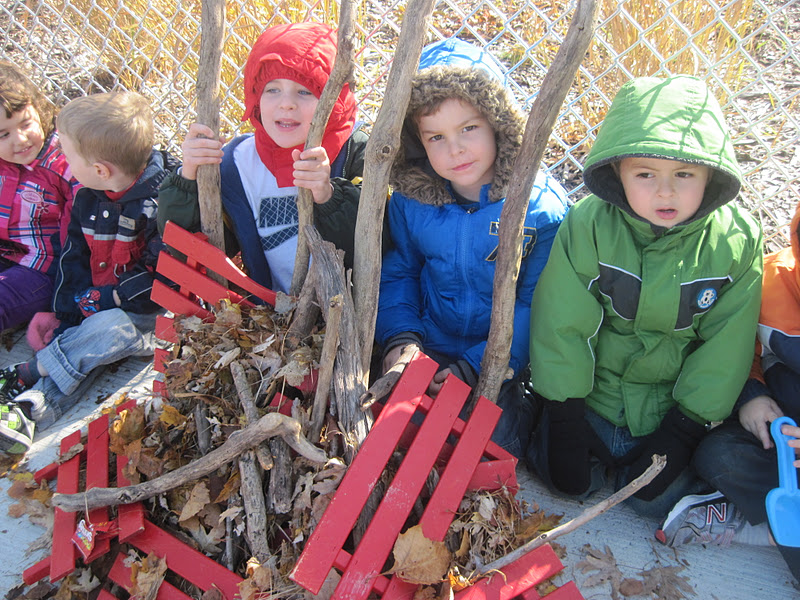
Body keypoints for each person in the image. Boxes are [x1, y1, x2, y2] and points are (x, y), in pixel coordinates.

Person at [527, 75, 763, 517]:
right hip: (593, 399)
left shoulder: (735, 242)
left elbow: (725, 348)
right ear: (617, 171)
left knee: (654, 503)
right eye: (645, 174)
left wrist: (684, 429)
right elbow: (562, 323)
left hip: (666, 410)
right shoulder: (590, 225)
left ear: (710, 174)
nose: (665, 191)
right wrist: (564, 418)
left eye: (685, 174)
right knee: (565, 482)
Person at [375, 37, 569, 458]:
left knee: (487, 444)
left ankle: (523, 406)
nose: (455, 149)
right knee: (393, 426)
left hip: (499, 357)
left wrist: (478, 366)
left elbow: (537, 303)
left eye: (468, 129)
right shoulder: (412, 200)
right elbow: (399, 271)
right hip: (430, 338)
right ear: (417, 142)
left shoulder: (540, 208)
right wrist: (401, 338)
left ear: (498, 123)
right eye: (436, 137)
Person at [0, 91, 177, 454]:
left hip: (147, 319)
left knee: (104, 329)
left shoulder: (160, 205)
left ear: (100, 170)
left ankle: (27, 373)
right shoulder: (87, 199)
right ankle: (29, 413)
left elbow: (161, 280)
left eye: (67, 156)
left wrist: (109, 299)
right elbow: (72, 260)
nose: (63, 162)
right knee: (80, 348)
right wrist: (63, 314)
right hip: (97, 309)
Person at [157, 22, 367, 294]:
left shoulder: (354, 150)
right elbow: (192, 248)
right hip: (274, 316)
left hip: (350, 311)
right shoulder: (238, 163)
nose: (286, 103)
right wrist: (188, 178)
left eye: (305, 91)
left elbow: (381, 240)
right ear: (255, 96)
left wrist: (328, 195)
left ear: (334, 100)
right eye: (272, 90)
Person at [656, 199, 800, 583]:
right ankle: (774, 519)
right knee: (720, 455)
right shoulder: (772, 285)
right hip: (782, 434)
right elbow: (737, 348)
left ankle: (763, 527)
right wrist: (751, 394)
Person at [0, 60, 77, 333]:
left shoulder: (63, 165)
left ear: (39, 110)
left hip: (42, 269)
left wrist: (68, 299)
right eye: (3, 134)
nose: (20, 140)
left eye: (26, 124)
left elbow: (78, 237)